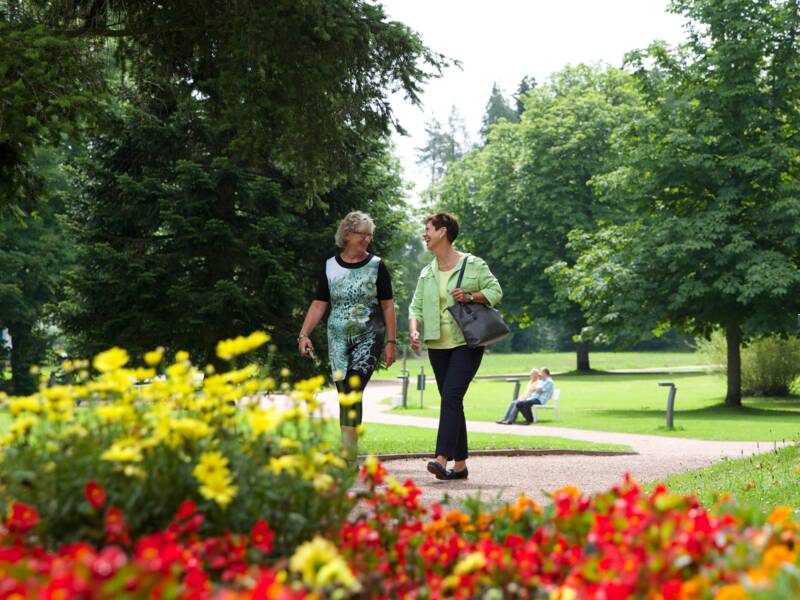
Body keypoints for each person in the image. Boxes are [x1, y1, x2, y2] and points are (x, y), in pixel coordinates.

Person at [409, 212, 502, 481]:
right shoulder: (428, 272)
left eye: (428, 229)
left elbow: (496, 292)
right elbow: (415, 306)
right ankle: (460, 467)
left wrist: (472, 295)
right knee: (452, 400)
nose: (424, 234)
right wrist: (414, 329)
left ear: (443, 232)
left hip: (467, 341)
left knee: (450, 397)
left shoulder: (473, 264)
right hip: (437, 345)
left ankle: (441, 458)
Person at [298, 211, 397, 459]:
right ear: (347, 234)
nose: (367, 240)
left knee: (353, 389)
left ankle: (347, 456)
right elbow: (320, 303)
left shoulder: (377, 265)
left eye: (369, 235)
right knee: (345, 393)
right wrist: (304, 334)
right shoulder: (330, 266)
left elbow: (387, 305)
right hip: (338, 339)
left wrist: (391, 342)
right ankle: (348, 455)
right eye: (362, 234)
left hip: (369, 336)